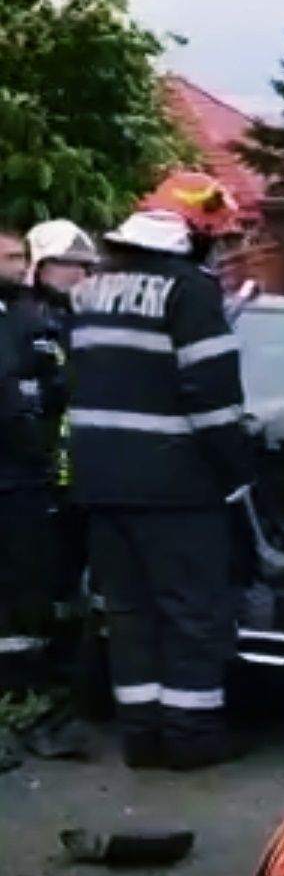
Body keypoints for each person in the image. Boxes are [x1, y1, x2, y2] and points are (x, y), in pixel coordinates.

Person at [68, 171, 253, 771]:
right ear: (193, 233)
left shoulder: (92, 288)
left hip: (100, 484)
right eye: (214, 237)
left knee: (127, 614)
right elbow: (215, 398)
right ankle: (192, 737)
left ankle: (142, 736)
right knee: (191, 613)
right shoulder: (190, 292)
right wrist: (236, 472)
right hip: (176, 486)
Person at [13, 219, 100, 759]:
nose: (82, 273)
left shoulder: (77, 319)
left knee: (72, 599)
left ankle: (67, 694)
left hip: (77, 479)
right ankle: (33, 700)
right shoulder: (26, 324)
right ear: (42, 267)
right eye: (70, 264)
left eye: (87, 265)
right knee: (37, 598)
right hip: (37, 480)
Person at [0, 228, 66, 667]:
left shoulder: (29, 315)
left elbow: (53, 382)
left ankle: (24, 677)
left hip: (24, 474)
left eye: (21, 256)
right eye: (7, 257)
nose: (18, 265)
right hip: (15, 465)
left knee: (26, 577)